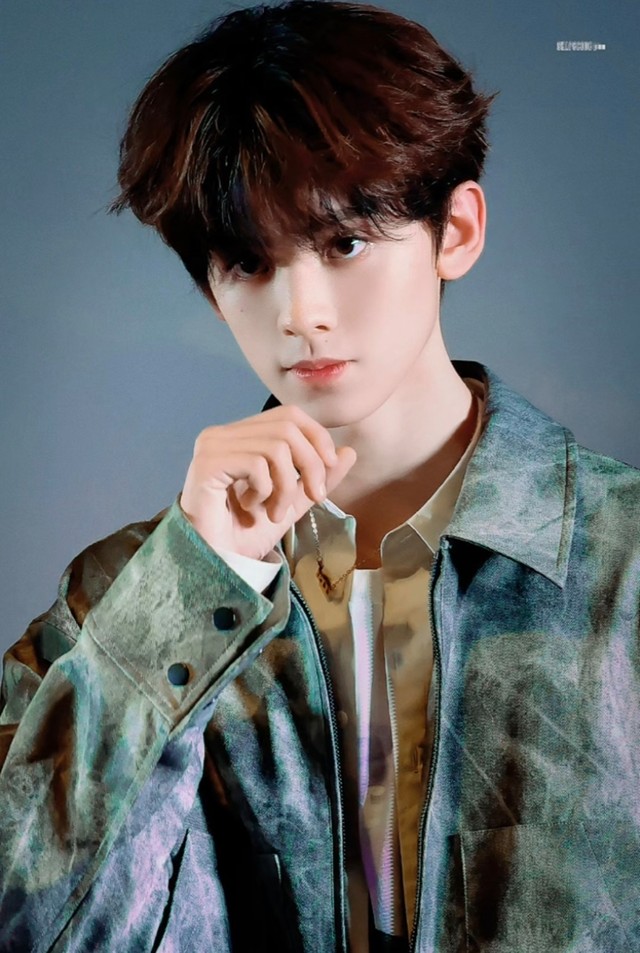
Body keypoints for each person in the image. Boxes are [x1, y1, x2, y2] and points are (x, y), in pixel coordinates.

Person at [1, 1, 638, 950]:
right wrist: (193, 585)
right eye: (249, 261)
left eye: (345, 243)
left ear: (457, 230)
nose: (301, 311)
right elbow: (34, 928)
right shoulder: (112, 602)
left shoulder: (623, 561)